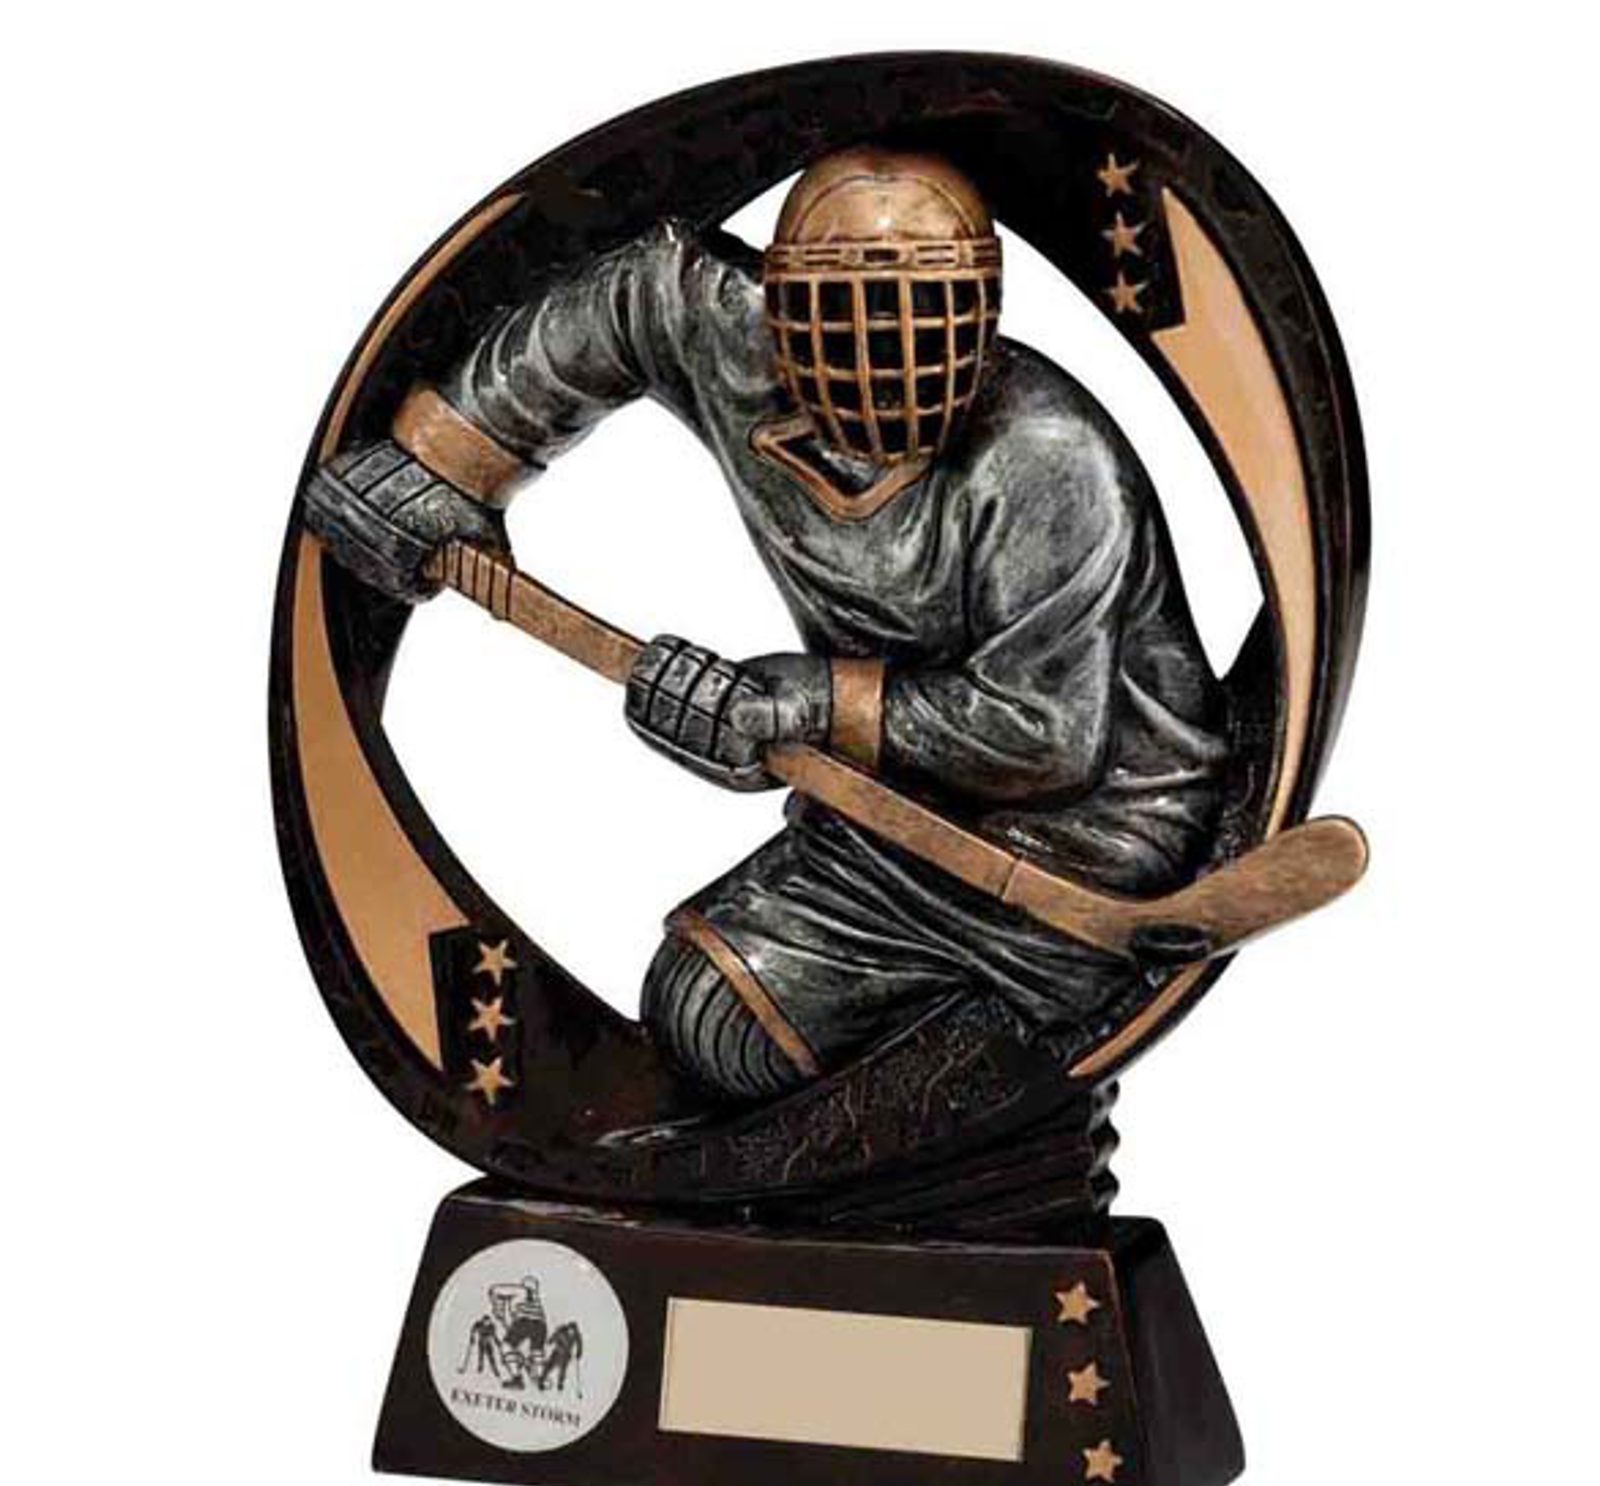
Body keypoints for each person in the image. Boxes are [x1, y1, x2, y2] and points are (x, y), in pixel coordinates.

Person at [302, 148, 1227, 1104]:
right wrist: (448, 456)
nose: (884, 353)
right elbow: (635, 295)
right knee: (706, 1011)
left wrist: (806, 707)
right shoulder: (729, 337)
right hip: (887, 808)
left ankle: (989, 1098)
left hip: (1076, 839)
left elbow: (1046, 736)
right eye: (845, 313)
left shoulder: (1048, 457)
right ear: (779, 307)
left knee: (753, 1033)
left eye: (921, 312)